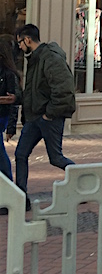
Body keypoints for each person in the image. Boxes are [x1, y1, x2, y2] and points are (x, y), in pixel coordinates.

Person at [14, 23, 76, 206]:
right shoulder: (34, 58)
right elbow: (35, 90)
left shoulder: (50, 57)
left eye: (20, 42)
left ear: (27, 40)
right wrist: (17, 99)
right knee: (20, 154)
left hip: (49, 118)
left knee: (56, 158)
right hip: (35, 118)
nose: (19, 47)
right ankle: (21, 198)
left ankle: (85, 180)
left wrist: (49, 115)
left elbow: (64, 90)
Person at [0, 36, 22, 182]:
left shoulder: (9, 74)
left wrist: (11, 127)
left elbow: (15, 101)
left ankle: (9, 184)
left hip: (1, 116)